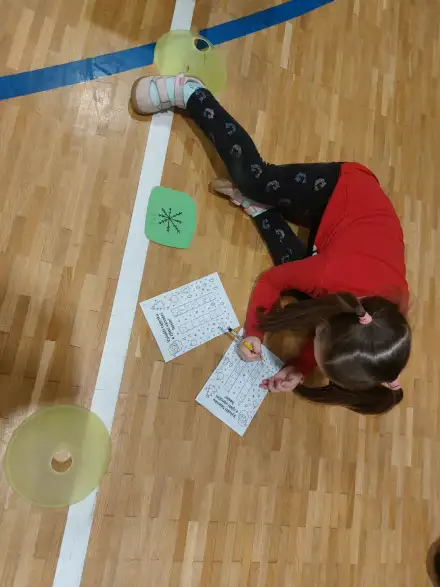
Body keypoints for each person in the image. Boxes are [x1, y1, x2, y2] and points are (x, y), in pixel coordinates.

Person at [130, 73, 411, 415]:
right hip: (344, 190)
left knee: (302, 291)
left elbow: (336, 329)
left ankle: (261, 210)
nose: (311, 340)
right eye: (317, 337)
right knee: (254, 180)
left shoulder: (388, 331)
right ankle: (190, 92)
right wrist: (253, 332)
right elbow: (271, 281)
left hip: (339, 237)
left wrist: (300, 366)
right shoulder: (330, 275)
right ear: (331, 320)